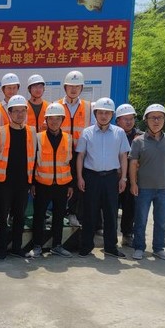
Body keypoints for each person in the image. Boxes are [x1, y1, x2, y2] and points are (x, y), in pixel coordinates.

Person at [76, 97, 130, 258]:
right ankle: (86, 245)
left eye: (107, 113)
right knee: (90, 213)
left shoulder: (119, 133)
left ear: (112, 115)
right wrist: (79, 177)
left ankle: (110, 247)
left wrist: (123, 178)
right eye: (100, 113)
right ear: (95, 114)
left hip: (111, 178)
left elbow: (123, 156)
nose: (104, 116)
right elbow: (80, 156)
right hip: (91, 177)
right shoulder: (87, 132)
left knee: (111, 213)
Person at [129, 104, 165, 261]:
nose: (156, 121)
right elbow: (133, 163)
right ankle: (139, 247)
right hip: (143, 188)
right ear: (146, 120)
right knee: (140, 220)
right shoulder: (138, 141)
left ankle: (159, 248)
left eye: (160, 117)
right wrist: (133, 183)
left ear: (164, 120)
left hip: (163, 188)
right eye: (153, 117)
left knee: (161, 220)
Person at [0, 95, 38, 260]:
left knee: (19, 216)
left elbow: (34, 157)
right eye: (16, 111)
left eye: (22, 111)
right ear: (9, 113)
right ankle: (2, 248)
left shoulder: (32, 132)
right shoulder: (1, 132)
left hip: (23, 182)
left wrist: (31, 182)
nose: (19, 114)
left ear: (26, 112)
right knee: (2, 217)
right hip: (4, 182)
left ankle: (16, 248)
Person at [30, 103, 74, 258]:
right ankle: (37, 246)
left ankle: (57, 245)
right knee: (39, 216)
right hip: (42, 184)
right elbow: (32, 161)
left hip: (62, 185)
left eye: (57, 119)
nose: (54, 122)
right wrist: (33, 183)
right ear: (46, 120)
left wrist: (70, 185)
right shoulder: (38, 137)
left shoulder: (68, 138)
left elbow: (71, 163)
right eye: (51, 119)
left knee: (59, 216)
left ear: (62, 120)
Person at [58, 70, 92, 228]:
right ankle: (58, 213)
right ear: (65, 87)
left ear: (81, 88)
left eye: (77, 86)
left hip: (80, 152)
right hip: (60, 152)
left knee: (78, 183)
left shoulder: (89, 107)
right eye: (70, 86)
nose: (73, 89)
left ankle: (72, 213)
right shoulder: (56, 105)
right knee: (60, 183)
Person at [115, 103, 143, 247]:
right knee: (110, 206)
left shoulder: (140, 137)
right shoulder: (112, 133)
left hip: (132, 178)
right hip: (114, 176)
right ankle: (108, 234)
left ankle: (127, 234)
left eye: (131, 119)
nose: (129, 122)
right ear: (118, 120)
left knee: (130, 206)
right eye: (125, 119)